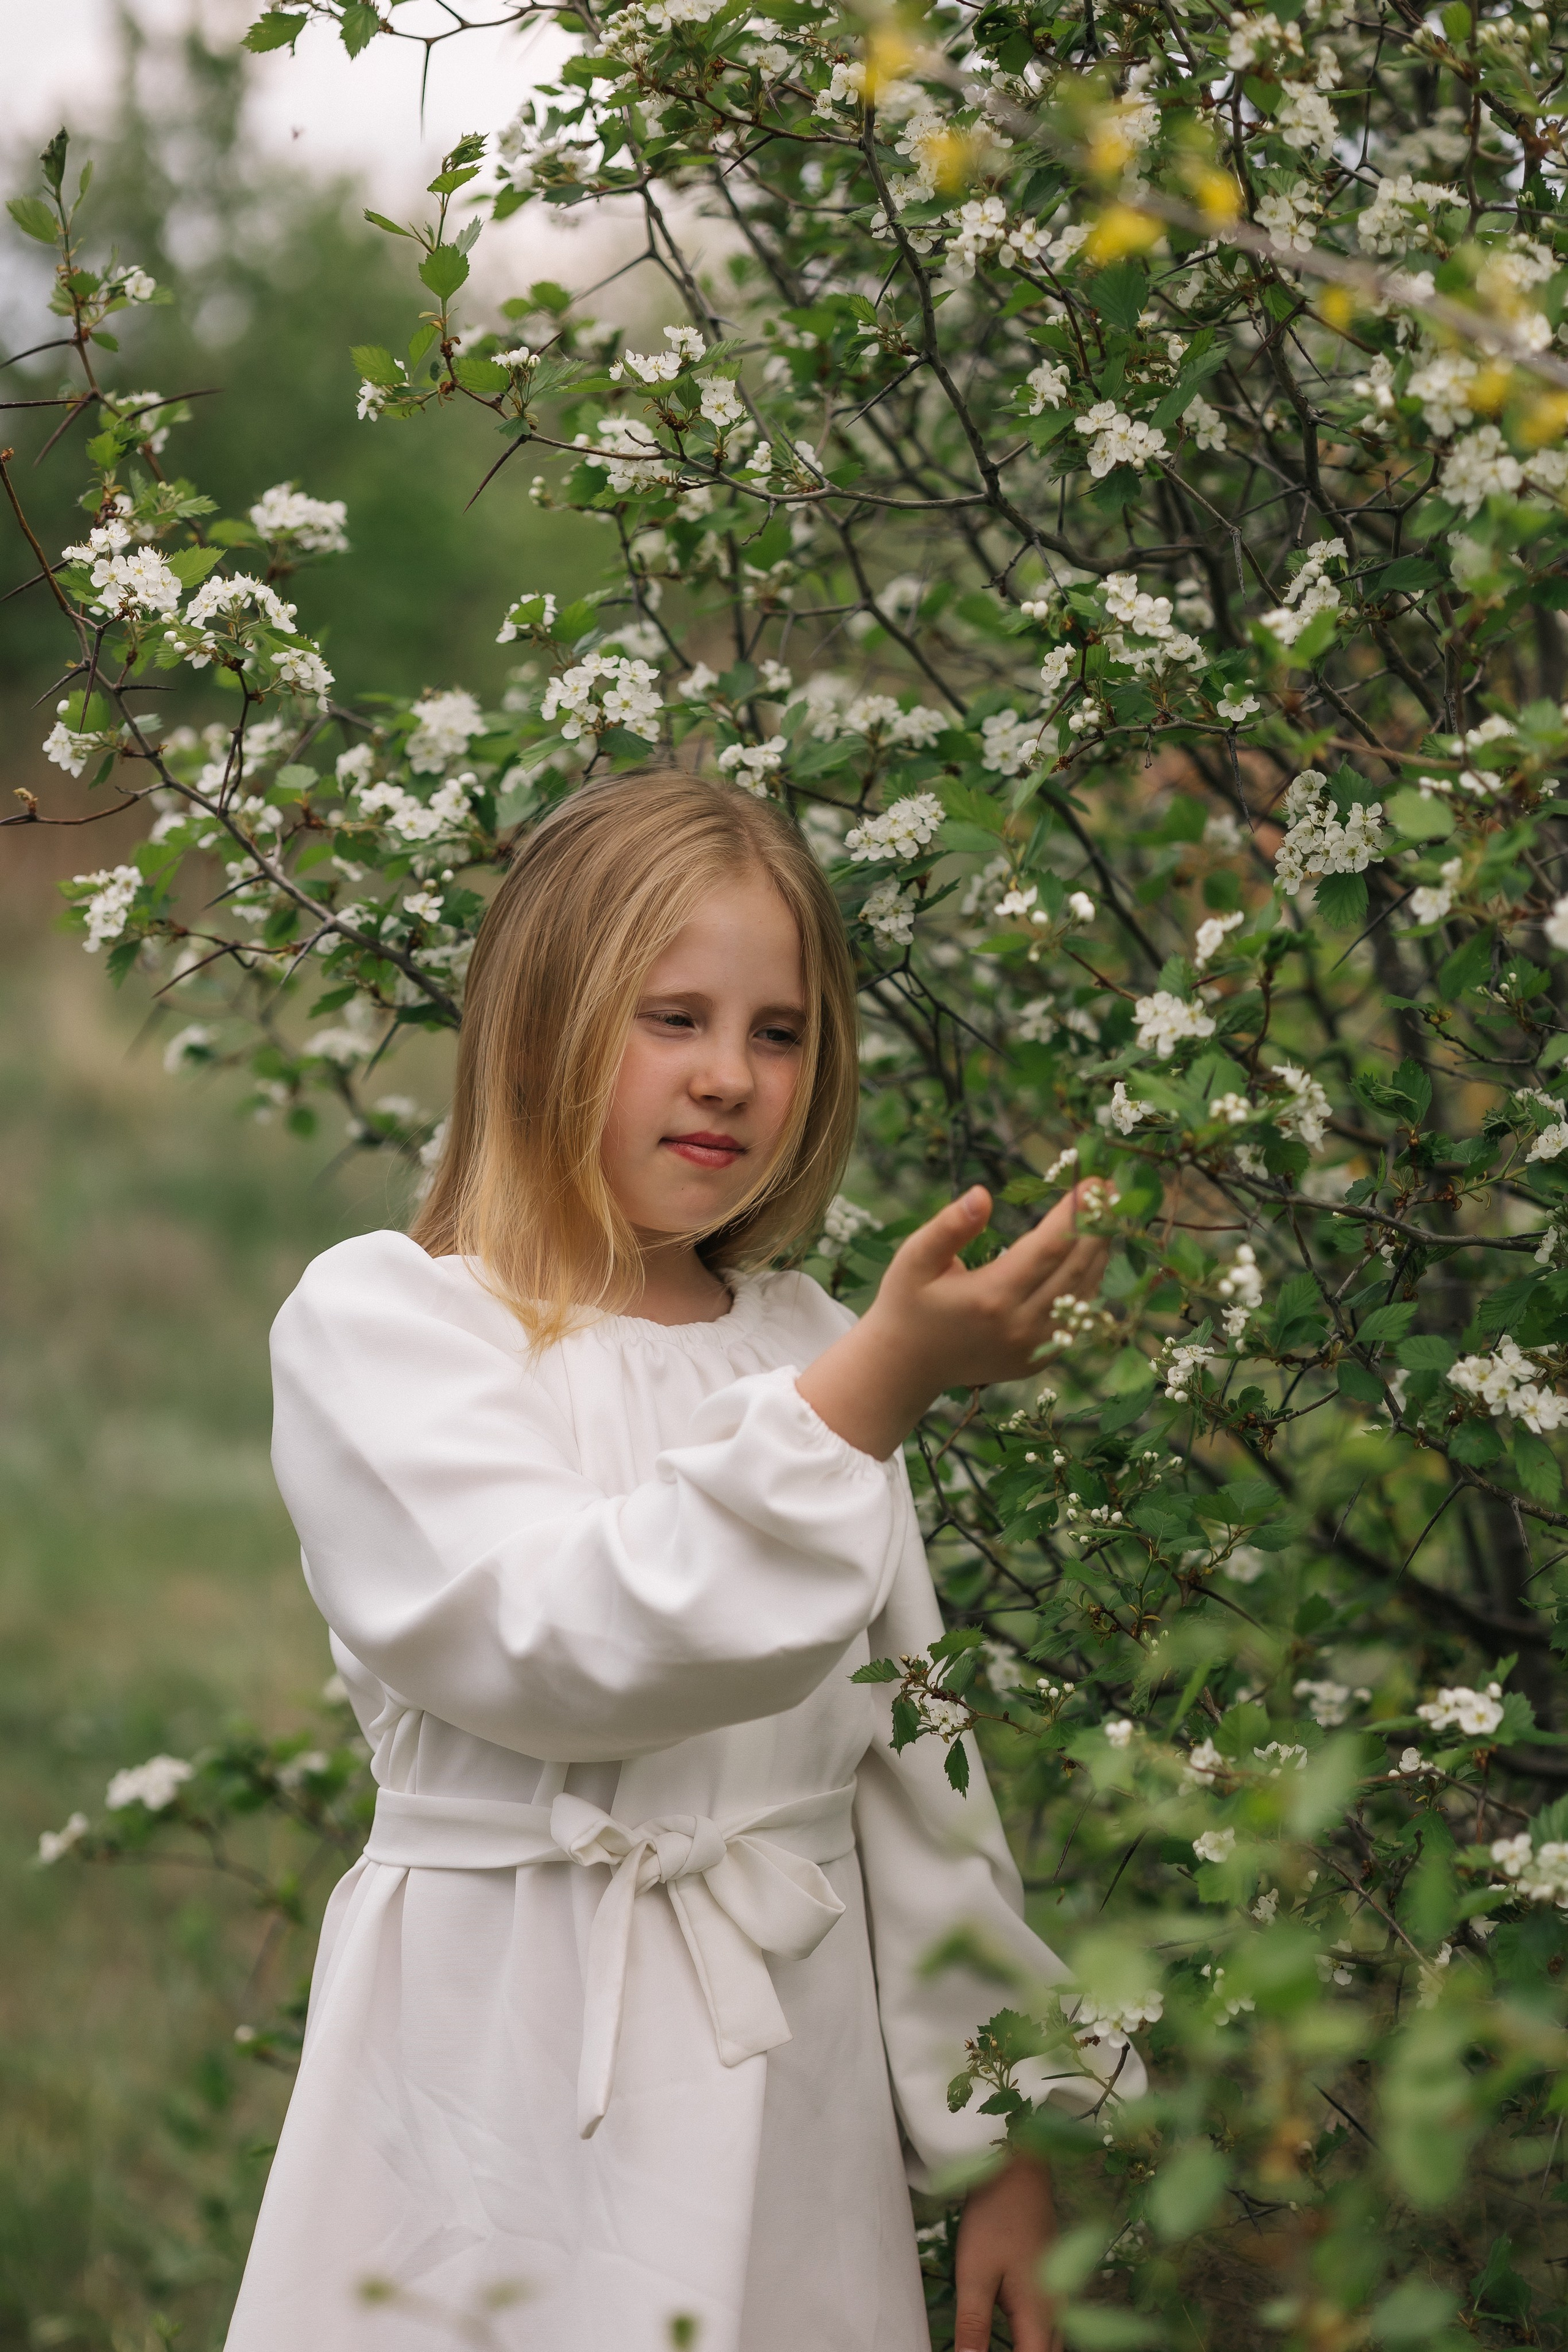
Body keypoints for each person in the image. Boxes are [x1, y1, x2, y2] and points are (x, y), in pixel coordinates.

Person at [224, 770, 1136, 2352]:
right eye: (674, 1019)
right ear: (541, 1025)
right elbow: (562, 1640)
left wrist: (1010, 2132)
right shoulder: (389, 1328)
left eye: (776, 1033)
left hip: (778, 2089)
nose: (729, 1077)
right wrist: (871, 1398)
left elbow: (910, 1776)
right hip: (488, 2064)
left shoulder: (809, 1348)